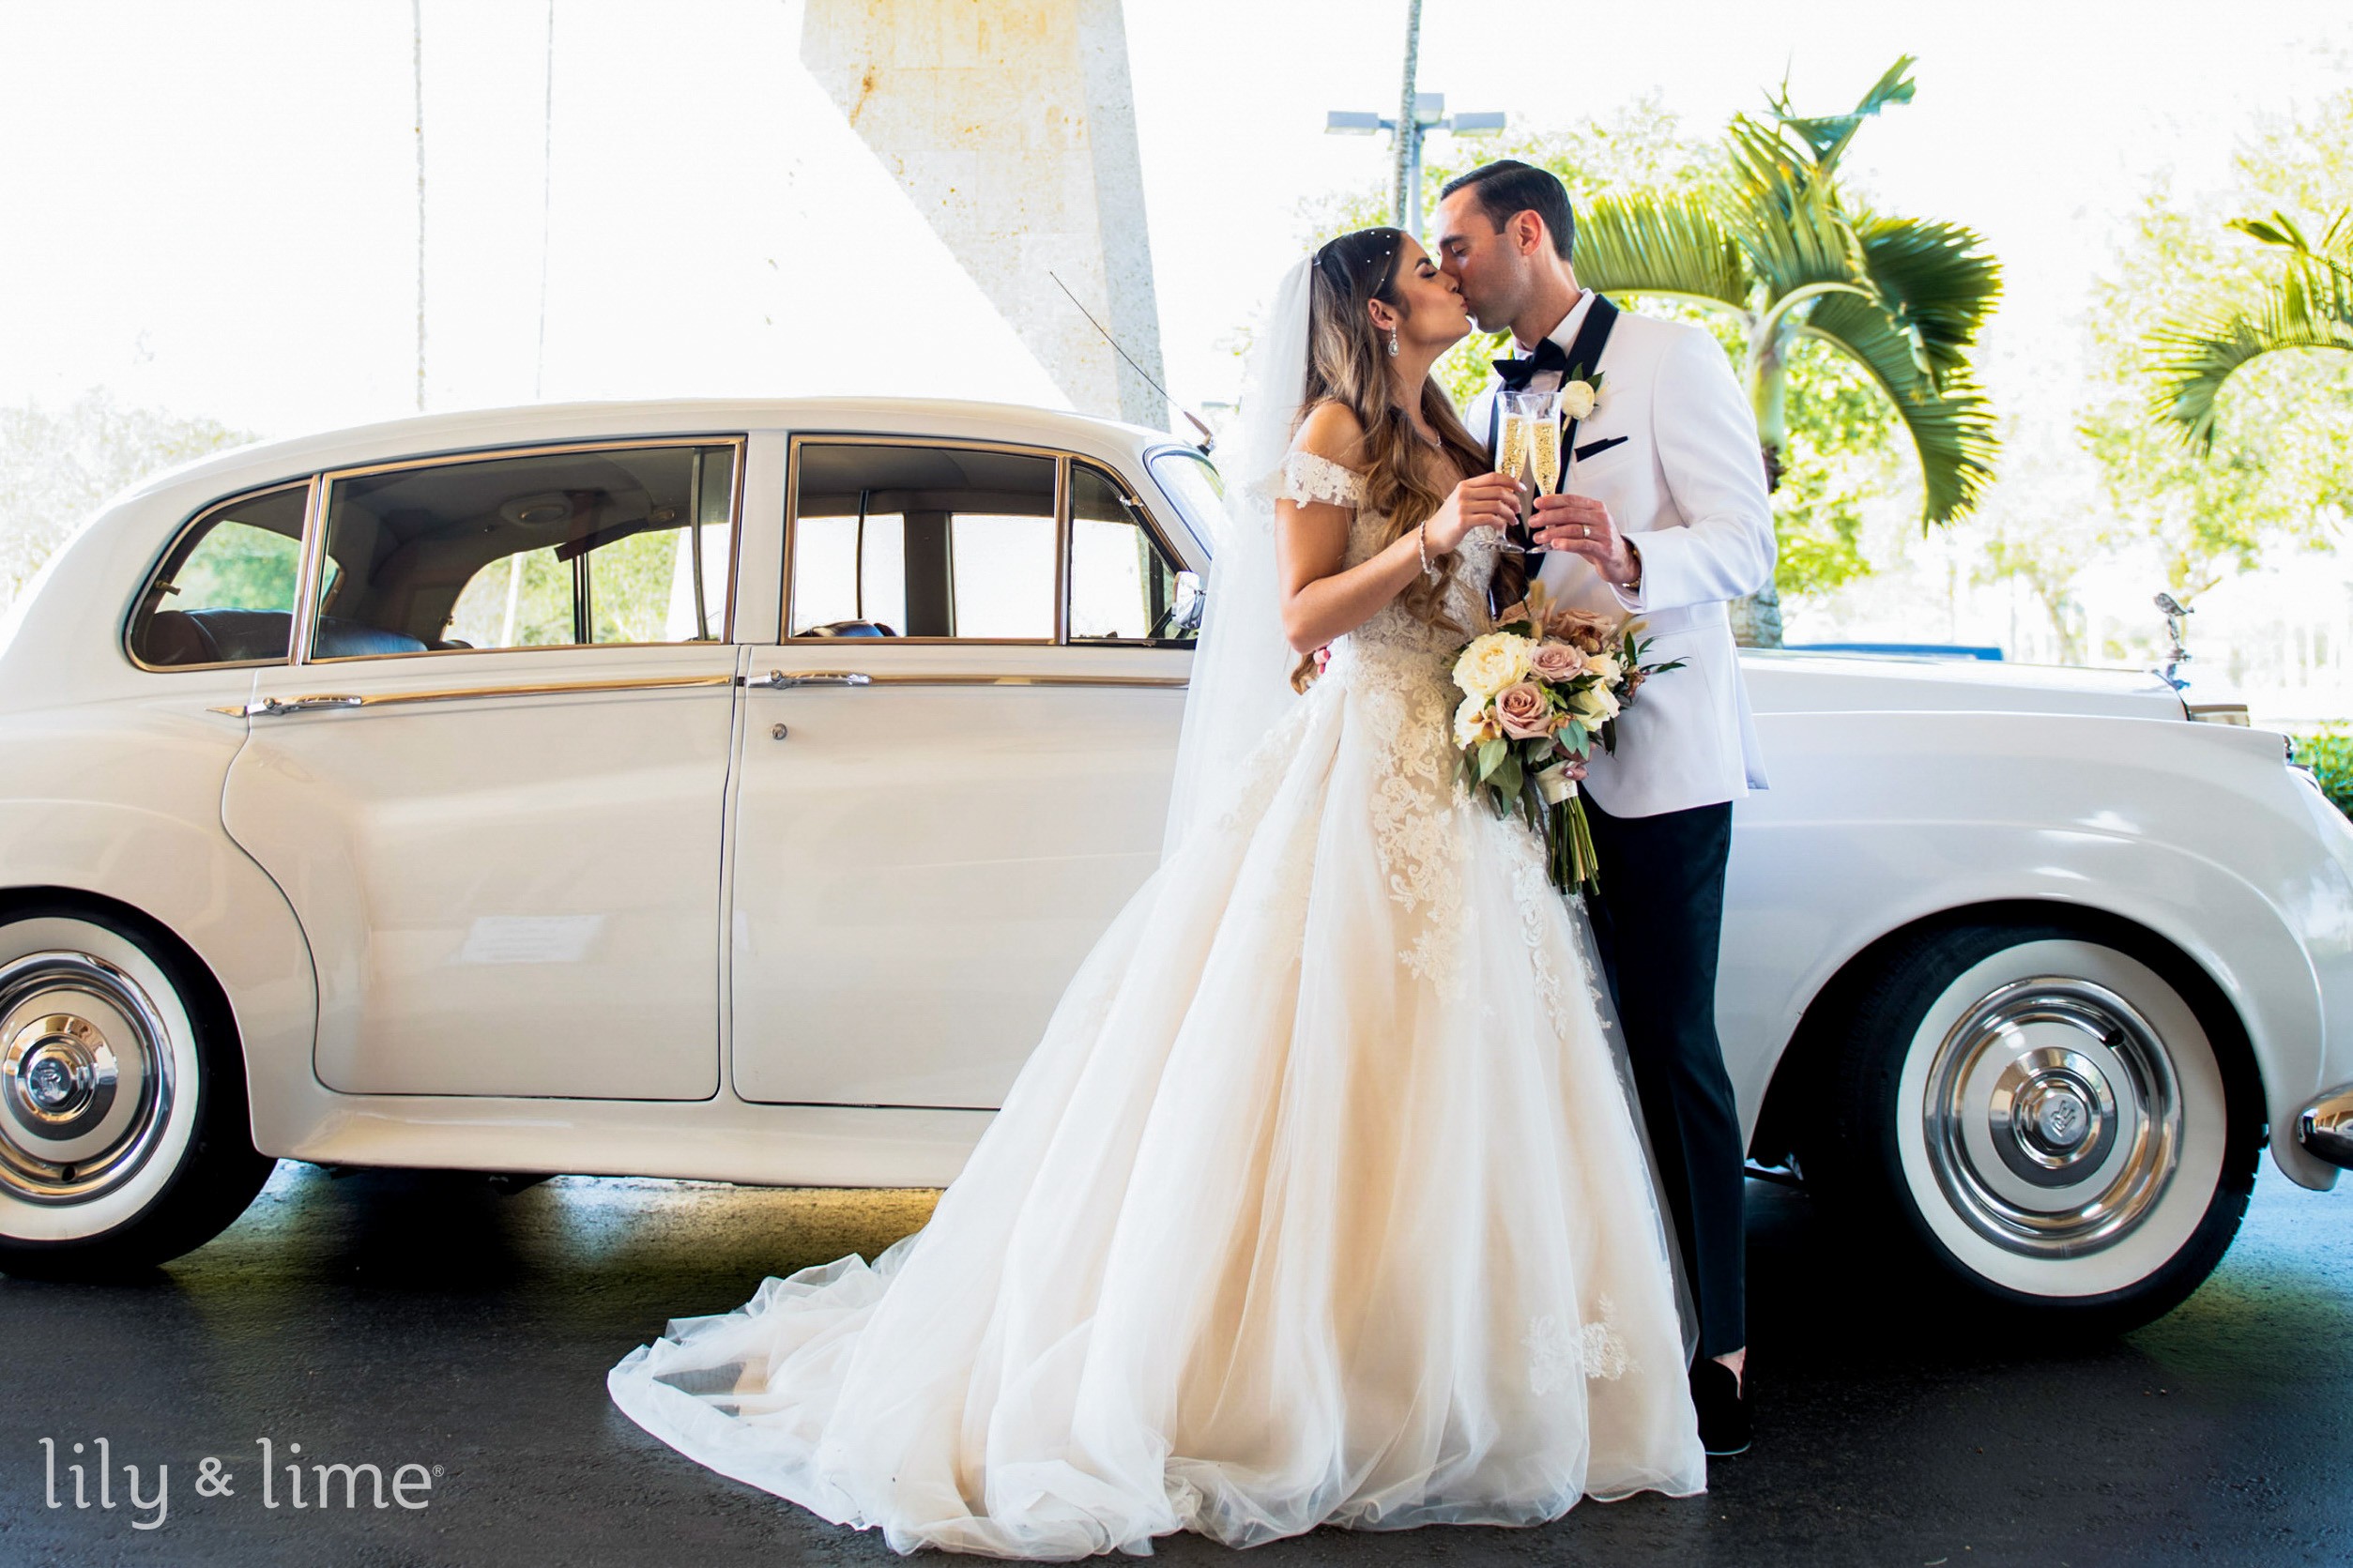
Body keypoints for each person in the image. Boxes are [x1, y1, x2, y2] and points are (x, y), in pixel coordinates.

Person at [605, 227, 1706, 1558]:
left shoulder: (1459, 430)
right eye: (1425, 267)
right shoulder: (1337, 429)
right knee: (1322, 1060)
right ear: (1373, 304)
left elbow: (1466, 597)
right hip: (1363, 775)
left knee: (1462, 1074)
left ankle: (1440, 1354)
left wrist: (1534, 641)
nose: (1449, 281)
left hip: (1460, 781)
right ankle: (1290, 1373)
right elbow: (1302, 618)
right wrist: (1435, 549)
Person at [1433, 159, 1778, 1457]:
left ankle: (1725, 1347)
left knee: (1672, 1042)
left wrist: (1631, 555)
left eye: (1459, 246)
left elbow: (1747, 545)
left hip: (1664, 759)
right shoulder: (1490, 392)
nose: (1449, 270)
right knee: (1574, 1056)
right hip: (1532, 758)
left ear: (1529, 234)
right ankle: (1599, 1329)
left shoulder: (1670, 357)